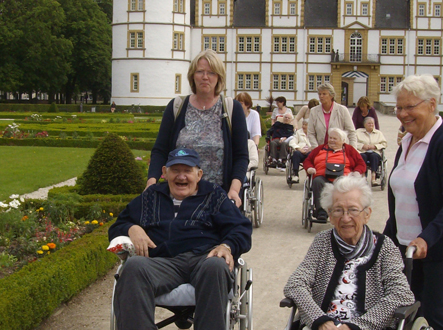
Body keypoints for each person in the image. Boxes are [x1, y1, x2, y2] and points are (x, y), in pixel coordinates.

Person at [108, 147, 252, 330]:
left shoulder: (214, 195)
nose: (181, 177)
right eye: (175, 170)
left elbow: (241, 228)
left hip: (203, 258)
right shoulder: (150, 197)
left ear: (199, 174)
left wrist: (227, 246)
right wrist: (132, 228)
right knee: (133, 267)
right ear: (164, 173)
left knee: (216, 265)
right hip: (161, 262)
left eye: (187, 171)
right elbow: (116, 227)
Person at [284, 174, 415, 330]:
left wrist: (355, 326)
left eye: (353, 210)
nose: (346, 218)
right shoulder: (322, 242)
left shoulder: (384, 247)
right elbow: (295, 284)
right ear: (330, 216)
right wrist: (320, 320)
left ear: (367, 214)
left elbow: (401, 294)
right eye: (338, 210)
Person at [147, 49, 249, 207]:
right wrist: (151, 182)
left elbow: (241, 156)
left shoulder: (231, 109)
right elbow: (160, 150)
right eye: (200, 71)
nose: (205, 77)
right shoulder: (177, 107)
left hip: (219, 198)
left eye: (211, 73)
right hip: (180, 197)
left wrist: (234, 190)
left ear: (219, 77)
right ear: (192, 75)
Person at [383, 74, 443, 330]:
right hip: (405, 252)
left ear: (432, 104)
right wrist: (382, 241)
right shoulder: (406, 141)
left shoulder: (439, 142)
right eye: (399, 107)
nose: (402, 114)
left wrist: (427, 238)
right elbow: (399, 202)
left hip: (436, 254)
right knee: (404, 318)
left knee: (432, 319)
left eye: (410, 106)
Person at [303, 128, 366, 221]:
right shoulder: (320, 149)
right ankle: (322, 212)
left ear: (343, 141)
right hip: (323, 176)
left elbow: (361, 164)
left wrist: (356, 171)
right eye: (330, 138)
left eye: (335, 138)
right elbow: (307, 160)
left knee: (347, 185)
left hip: (343, 178)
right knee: (317, 181)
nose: (331, 140)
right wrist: (309, 168)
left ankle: (344, 211)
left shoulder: (349, 150)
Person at [308, 83, 357, 149]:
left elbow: (351, 132)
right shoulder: (314, 111)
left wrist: (352, 150)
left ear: (331, 96)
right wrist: (317, 149)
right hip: (320, 149)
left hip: (339, 150)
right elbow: (311, 133)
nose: (321, 96)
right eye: (319, 94)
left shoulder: (342, 110)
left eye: (324, 94)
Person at [355, 117, 387, 186]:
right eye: (369, 123)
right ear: (364, 124)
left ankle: (373, 177)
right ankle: (363, 177)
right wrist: (362, 146)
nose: (371, 125)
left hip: (374, 151)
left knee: (374, 156)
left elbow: (384, 144)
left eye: (372, 123)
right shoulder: (358, 132)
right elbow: (353, 142)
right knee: (362, 156)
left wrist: (375, 146)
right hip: (362, 151)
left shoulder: (378, 133)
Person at [289, 119, 312, 183]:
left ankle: (310, 175)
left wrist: (311, 148)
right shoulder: (299, 132)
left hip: (310, 151)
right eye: (303, 124)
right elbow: (292, 142)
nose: (303, 126)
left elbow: (317, 143)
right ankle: (295, 175)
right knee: (296, 154)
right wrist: (298, 148)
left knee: (311, 155)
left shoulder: (314, 133)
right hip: (301, 152)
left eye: (306, 125)